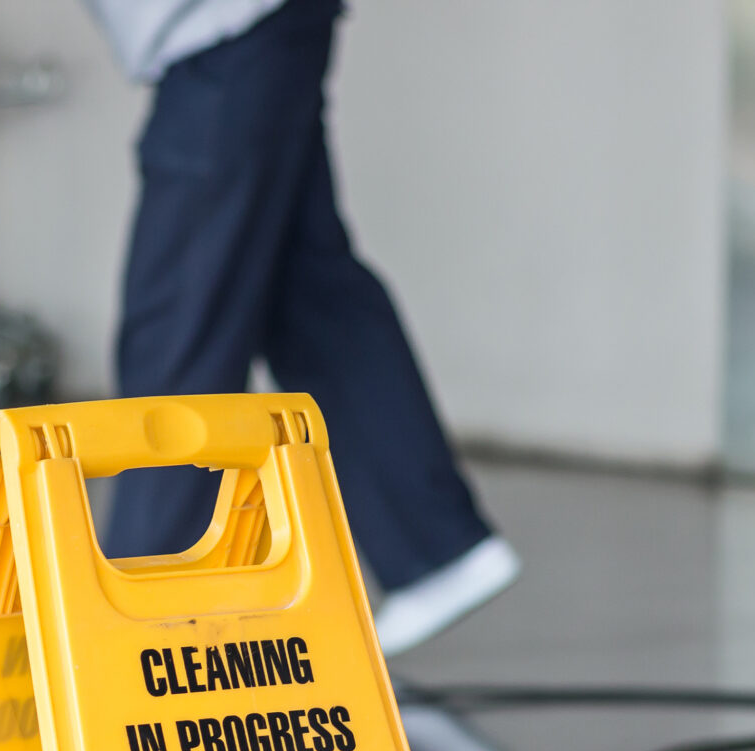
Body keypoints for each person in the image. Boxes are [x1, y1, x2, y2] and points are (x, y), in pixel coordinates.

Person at [92, 0, 518, 653]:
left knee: (178, 321)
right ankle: (434, 545)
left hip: (226, 32)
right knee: (307, 295)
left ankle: (137, 622)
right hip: (252, 26)